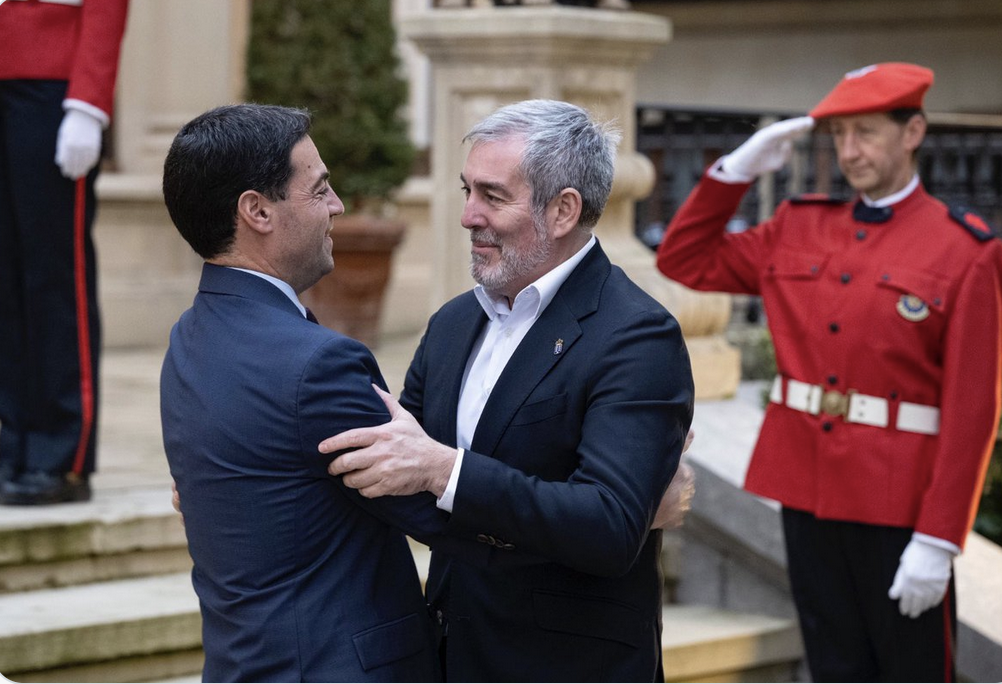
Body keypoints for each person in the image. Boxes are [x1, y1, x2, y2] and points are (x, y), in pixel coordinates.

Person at [320, 99, 695, 682]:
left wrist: (448, 473)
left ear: (564, 210)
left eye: (492, 196)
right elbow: (393, 477)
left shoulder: (636, 335)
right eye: (466, 190)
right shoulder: (452, 325)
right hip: (450, 656)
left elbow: (607, 527)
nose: (468, 215)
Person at [655, 62, 1002, 682]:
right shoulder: (798, 225)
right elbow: (685, 258)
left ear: (913, 130)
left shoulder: (965, 250)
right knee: (833, 667)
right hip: (807, 489)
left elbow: (973, 409)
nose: (849, 151)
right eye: (839, 135)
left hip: (900, 503)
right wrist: (735, 170)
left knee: (912, 671)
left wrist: (940, 537)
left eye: (866, 132)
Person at [160, 103, 504, 682]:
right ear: (258, 211)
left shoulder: (189, 338)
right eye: (319, 189)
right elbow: (439, 510)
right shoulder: (317, 364)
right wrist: (612, 505)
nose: (338, 206)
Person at [0, 0, 130, 505]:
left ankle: (62, 455)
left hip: (54, 86)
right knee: (5, 280)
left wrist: (88, 102)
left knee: (55, 277)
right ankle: (11, 444)